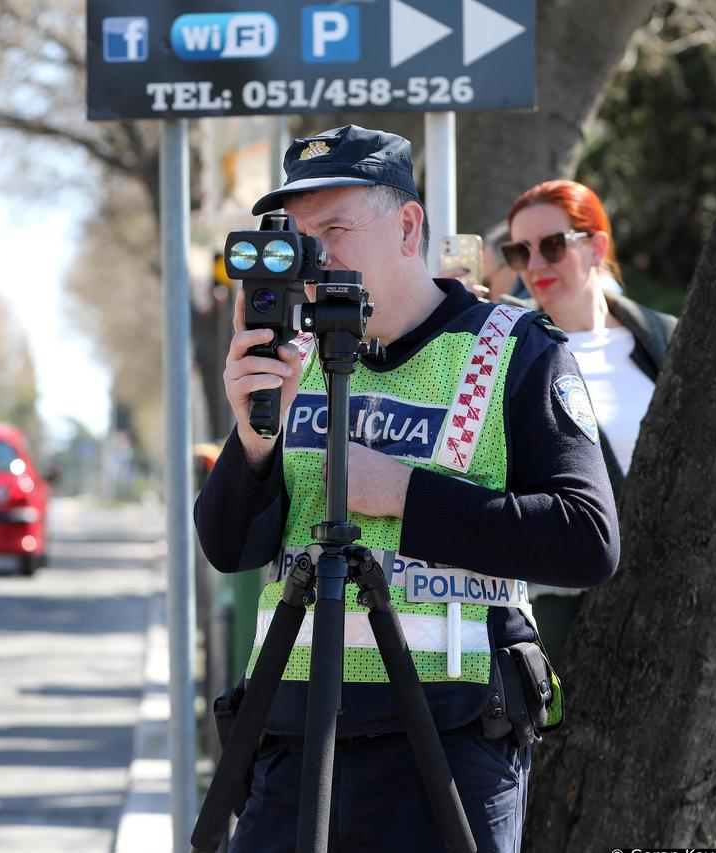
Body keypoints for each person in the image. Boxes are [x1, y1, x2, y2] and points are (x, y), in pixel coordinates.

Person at [195, 125, 619, 853]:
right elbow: (229, 549)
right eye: (299, 237)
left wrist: (405, 494)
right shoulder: (290, 360)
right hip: (294, 740)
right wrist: (255, 435)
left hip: (450, 747)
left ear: (407, 227)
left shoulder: (510, 348)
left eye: (335, 231)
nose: (315, 258)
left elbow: (588, 540)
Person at [502, 179, 676, 661]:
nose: (535, 266)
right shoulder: (508, 342)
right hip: (560, 599)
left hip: (669, 587)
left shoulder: (664, 337)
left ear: (597, 246)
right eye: (519, 251)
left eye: (553, 246)